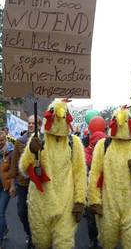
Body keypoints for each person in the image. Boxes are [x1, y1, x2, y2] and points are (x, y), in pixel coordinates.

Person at [19, 98, 87, 249]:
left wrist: (79, 201)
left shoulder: (74, 142)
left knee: (64, 244)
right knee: (42, 244)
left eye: (63, 114)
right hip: (40, 203)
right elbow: (24, 169)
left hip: (65, 204)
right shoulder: (37, 139)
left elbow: (80, 174)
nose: (59, 118)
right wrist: (31, 151)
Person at [88, 106, 131, 249]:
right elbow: (94, 174)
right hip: (108, 205)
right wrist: (95, 201)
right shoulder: (103, 145)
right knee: (107, 243)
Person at [9, 115, 42, 249]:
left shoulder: (44, 140)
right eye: (28, 123)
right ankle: (28, 233)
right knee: (22, 212)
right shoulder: (20, 141)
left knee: (39, 213)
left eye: (33, 123)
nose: (30, 125)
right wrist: (12, 184)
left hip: (39, 184)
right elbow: (14, 164)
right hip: (23, 184)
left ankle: (39, 236)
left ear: (39, 125)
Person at [0, 131, 13, 249]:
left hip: (5, 187)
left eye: (1, 140)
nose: (0, 143)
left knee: (0, 212)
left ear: (5, 140)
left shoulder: (10, 152)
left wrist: (12, 185)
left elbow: (14, 170)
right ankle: (4, 228)